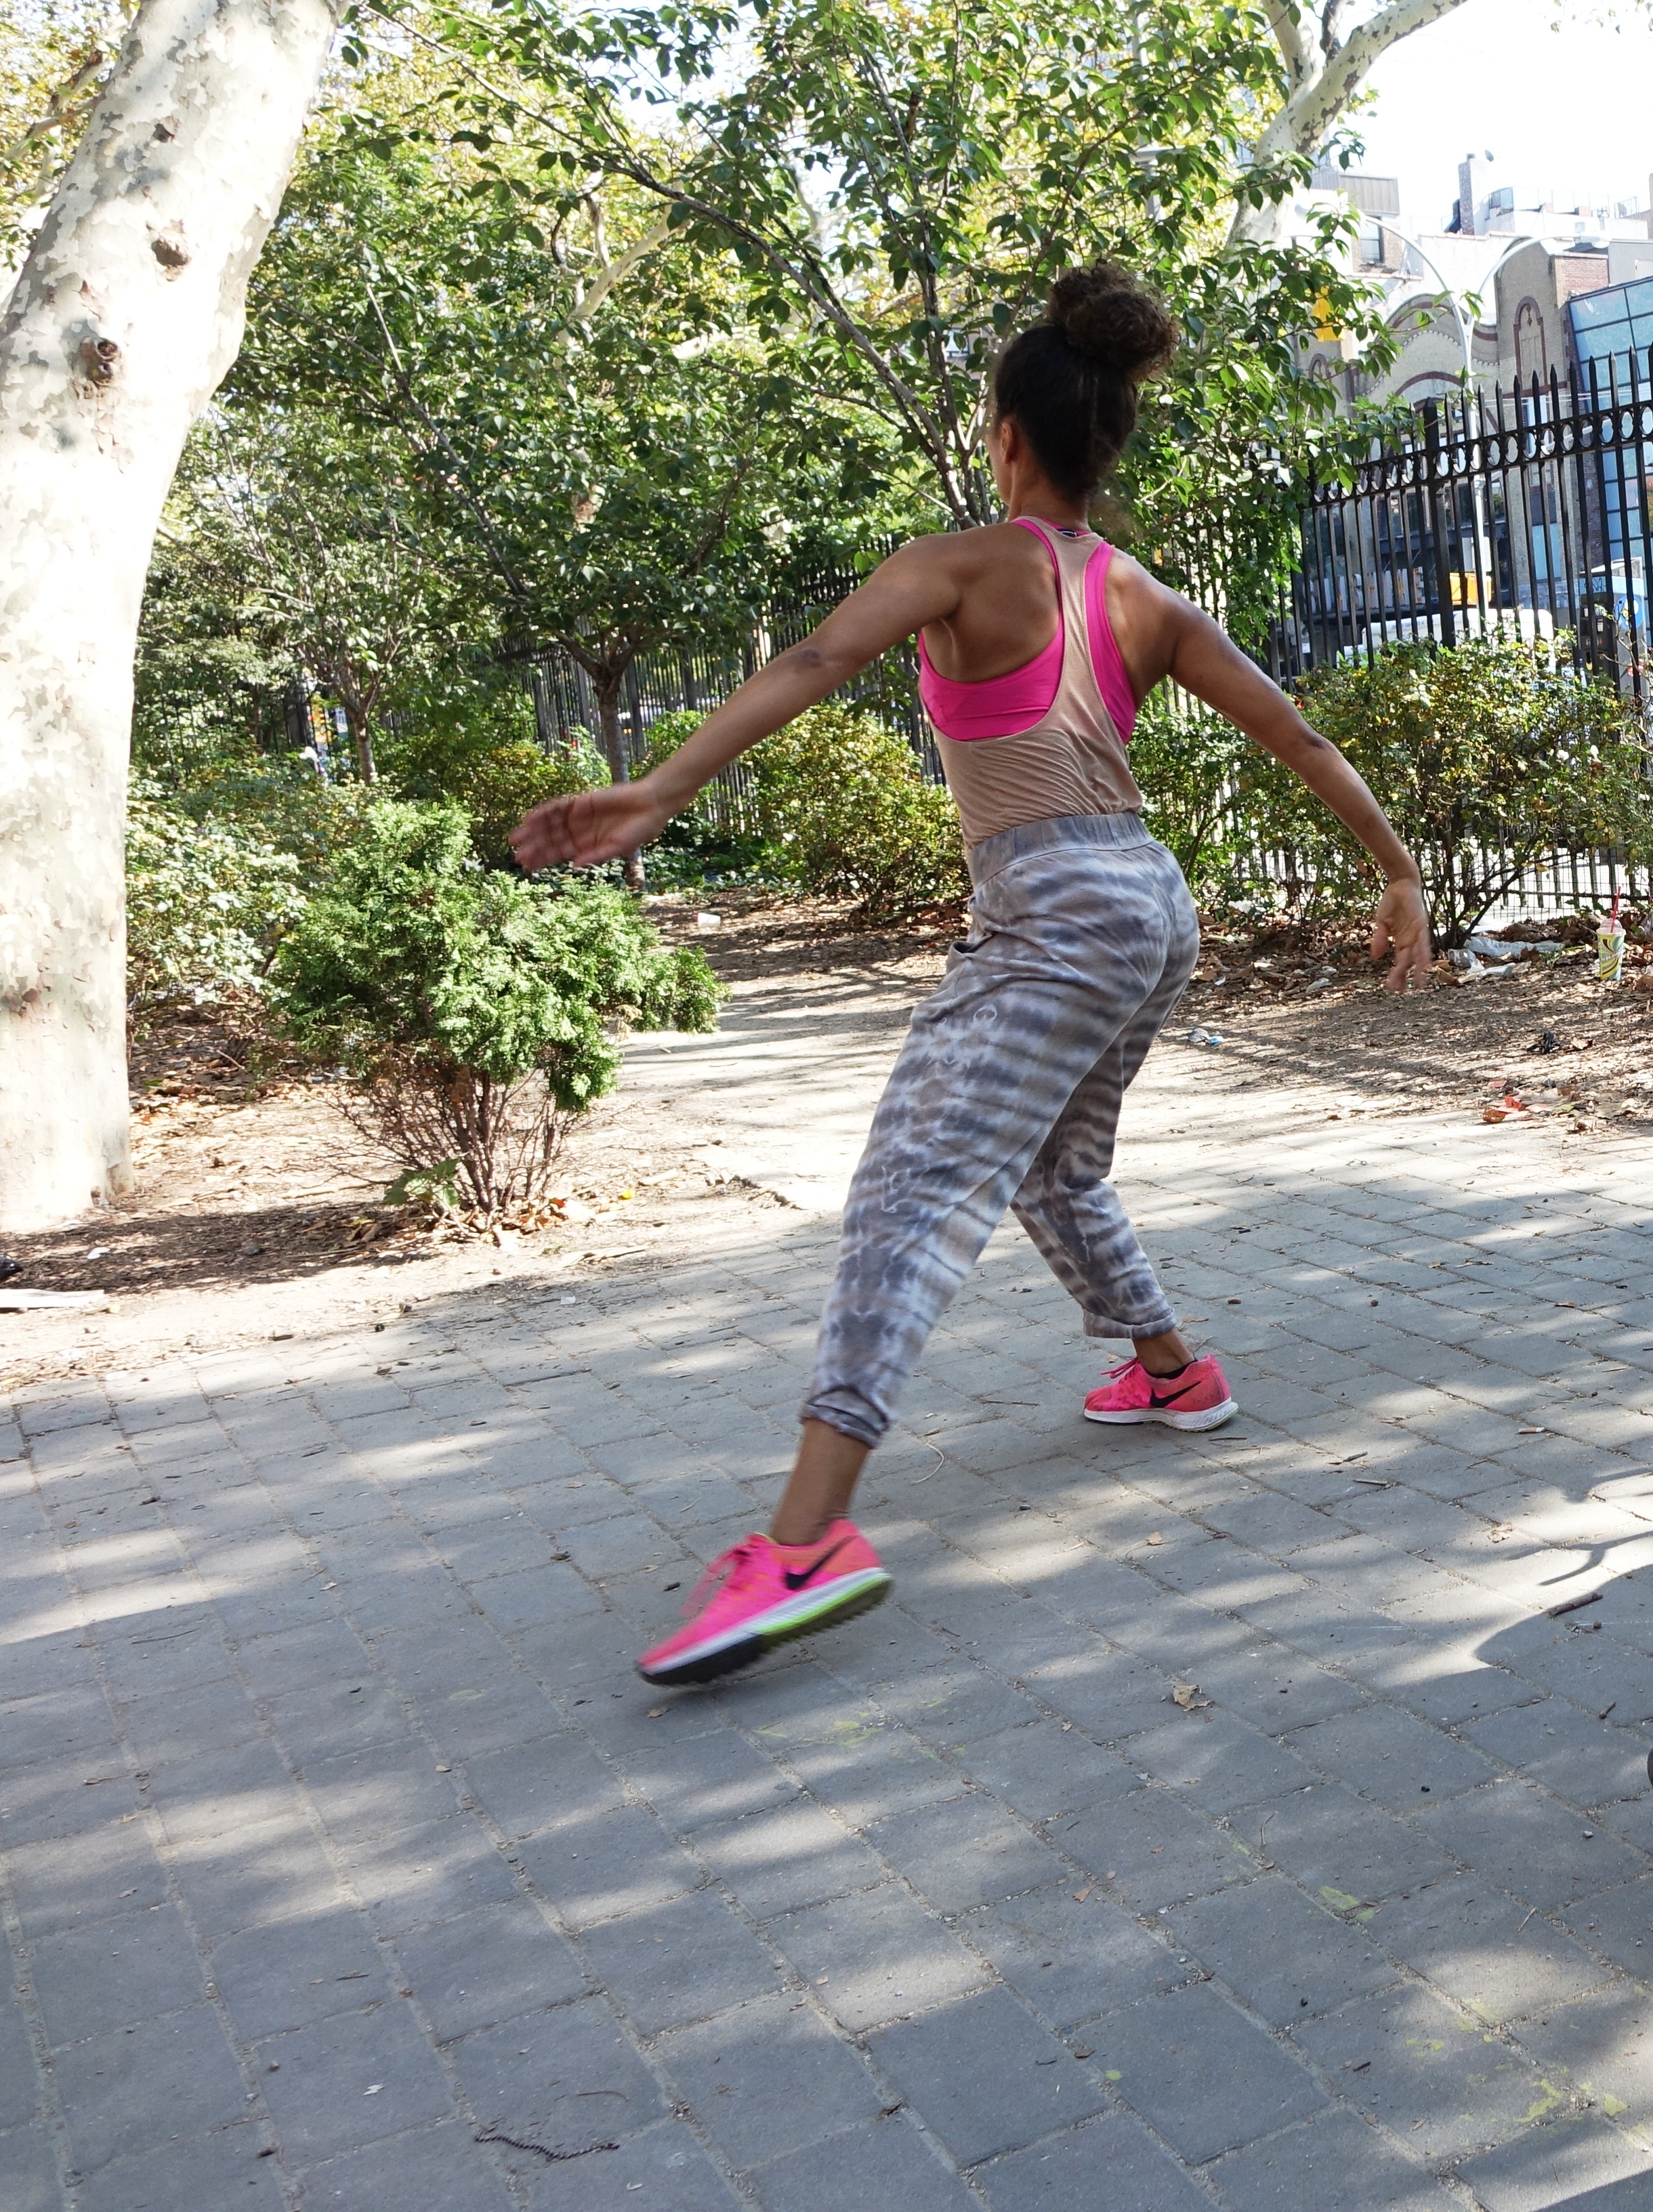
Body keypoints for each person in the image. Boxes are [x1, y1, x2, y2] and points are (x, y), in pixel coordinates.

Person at [512, 265, 1434, 1686]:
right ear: (1101, 439)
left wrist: (664, 788)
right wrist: (1397, 869)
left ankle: (809, 1542)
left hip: (1056, 916)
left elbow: (818, 657)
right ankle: (1177, 1370)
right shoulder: (1144, 596)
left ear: (1008, 435)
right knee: (1059, 1171)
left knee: (915, 1183)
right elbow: (1297, 735)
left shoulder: (955, 565)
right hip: (1150, 904)